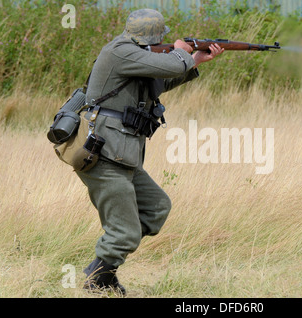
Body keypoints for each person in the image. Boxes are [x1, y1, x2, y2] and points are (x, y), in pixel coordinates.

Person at [77, 8, 224, 295]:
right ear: (156, 35)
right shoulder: (120, 51)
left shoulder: (135, 54)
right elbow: (170, 65)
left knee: (156, 208)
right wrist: (182, 51)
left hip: (123, 154)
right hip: (104, 154)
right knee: (126, 233)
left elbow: (160, 82)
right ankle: (98, 280)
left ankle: (105, 267)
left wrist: (193, 61)